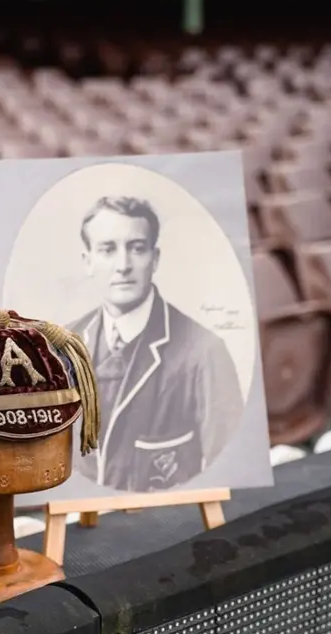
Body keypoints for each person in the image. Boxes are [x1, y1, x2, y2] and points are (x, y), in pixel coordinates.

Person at [68, 195, 244, 492]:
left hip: (166, 521)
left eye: (136, 248)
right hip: (83, 518)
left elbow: (228, 468)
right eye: (107, 249)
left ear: (155, 258)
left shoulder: (203, 350)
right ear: (89, 261)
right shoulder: (64, 343)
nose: (123, 265)